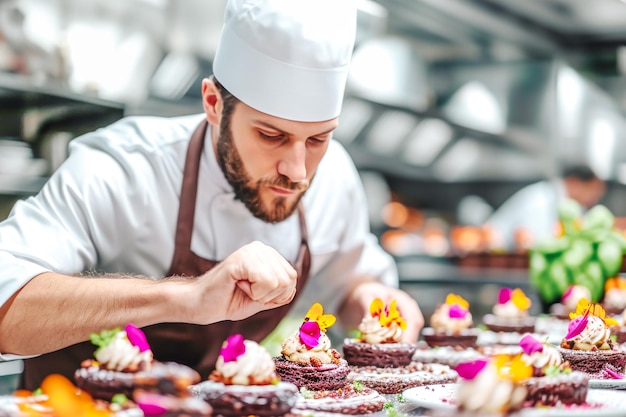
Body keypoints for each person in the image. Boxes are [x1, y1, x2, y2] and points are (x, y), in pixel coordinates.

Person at [0, 0, 424, 389]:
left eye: (317, 139)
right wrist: (184, 297)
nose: (297, 171)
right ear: (213, 104)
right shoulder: (125, 167)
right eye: (271, 135)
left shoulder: (334, 178)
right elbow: (6, 308)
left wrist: (377, 304)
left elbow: (353, 285)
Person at [485, 164, 607, 251]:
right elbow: (530, 243)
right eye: (592, 192)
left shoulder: (572, 208)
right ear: (574, 182)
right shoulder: (541, 200)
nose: (594, 200)